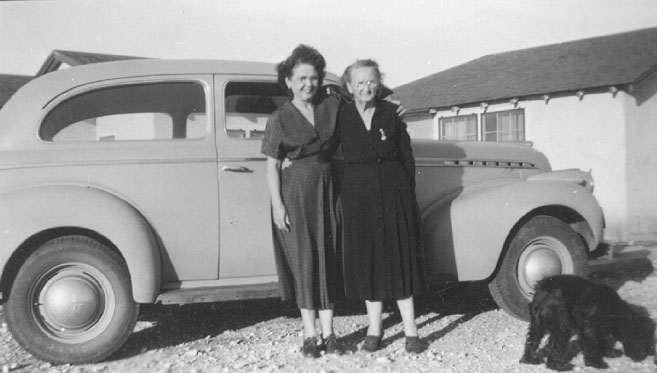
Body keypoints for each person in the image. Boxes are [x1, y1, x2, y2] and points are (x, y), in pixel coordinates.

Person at [337, 59, 427, 354]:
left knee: (399, 258)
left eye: (371, 81)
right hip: (359, 198)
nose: (366, 87)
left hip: (394, 194)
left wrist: (405, 190)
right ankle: (375, 330)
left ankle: (411, 332)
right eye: (359, 82)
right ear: (349, 87)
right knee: (368, 261)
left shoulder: (391, 113)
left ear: (380, 83)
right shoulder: (341, 114)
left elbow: (406, 156)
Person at [260, 44, 342, 358]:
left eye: (314, 77)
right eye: (301, 78)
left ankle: (331, 332)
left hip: (327, 189)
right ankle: (310, 334)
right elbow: (271, 165)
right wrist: (278, 206)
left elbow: (369, 99)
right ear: (289, 81)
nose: (308, 83)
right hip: (295, 194)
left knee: (328, 257)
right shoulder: (280, 118)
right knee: (305, 261)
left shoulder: (332, 105)